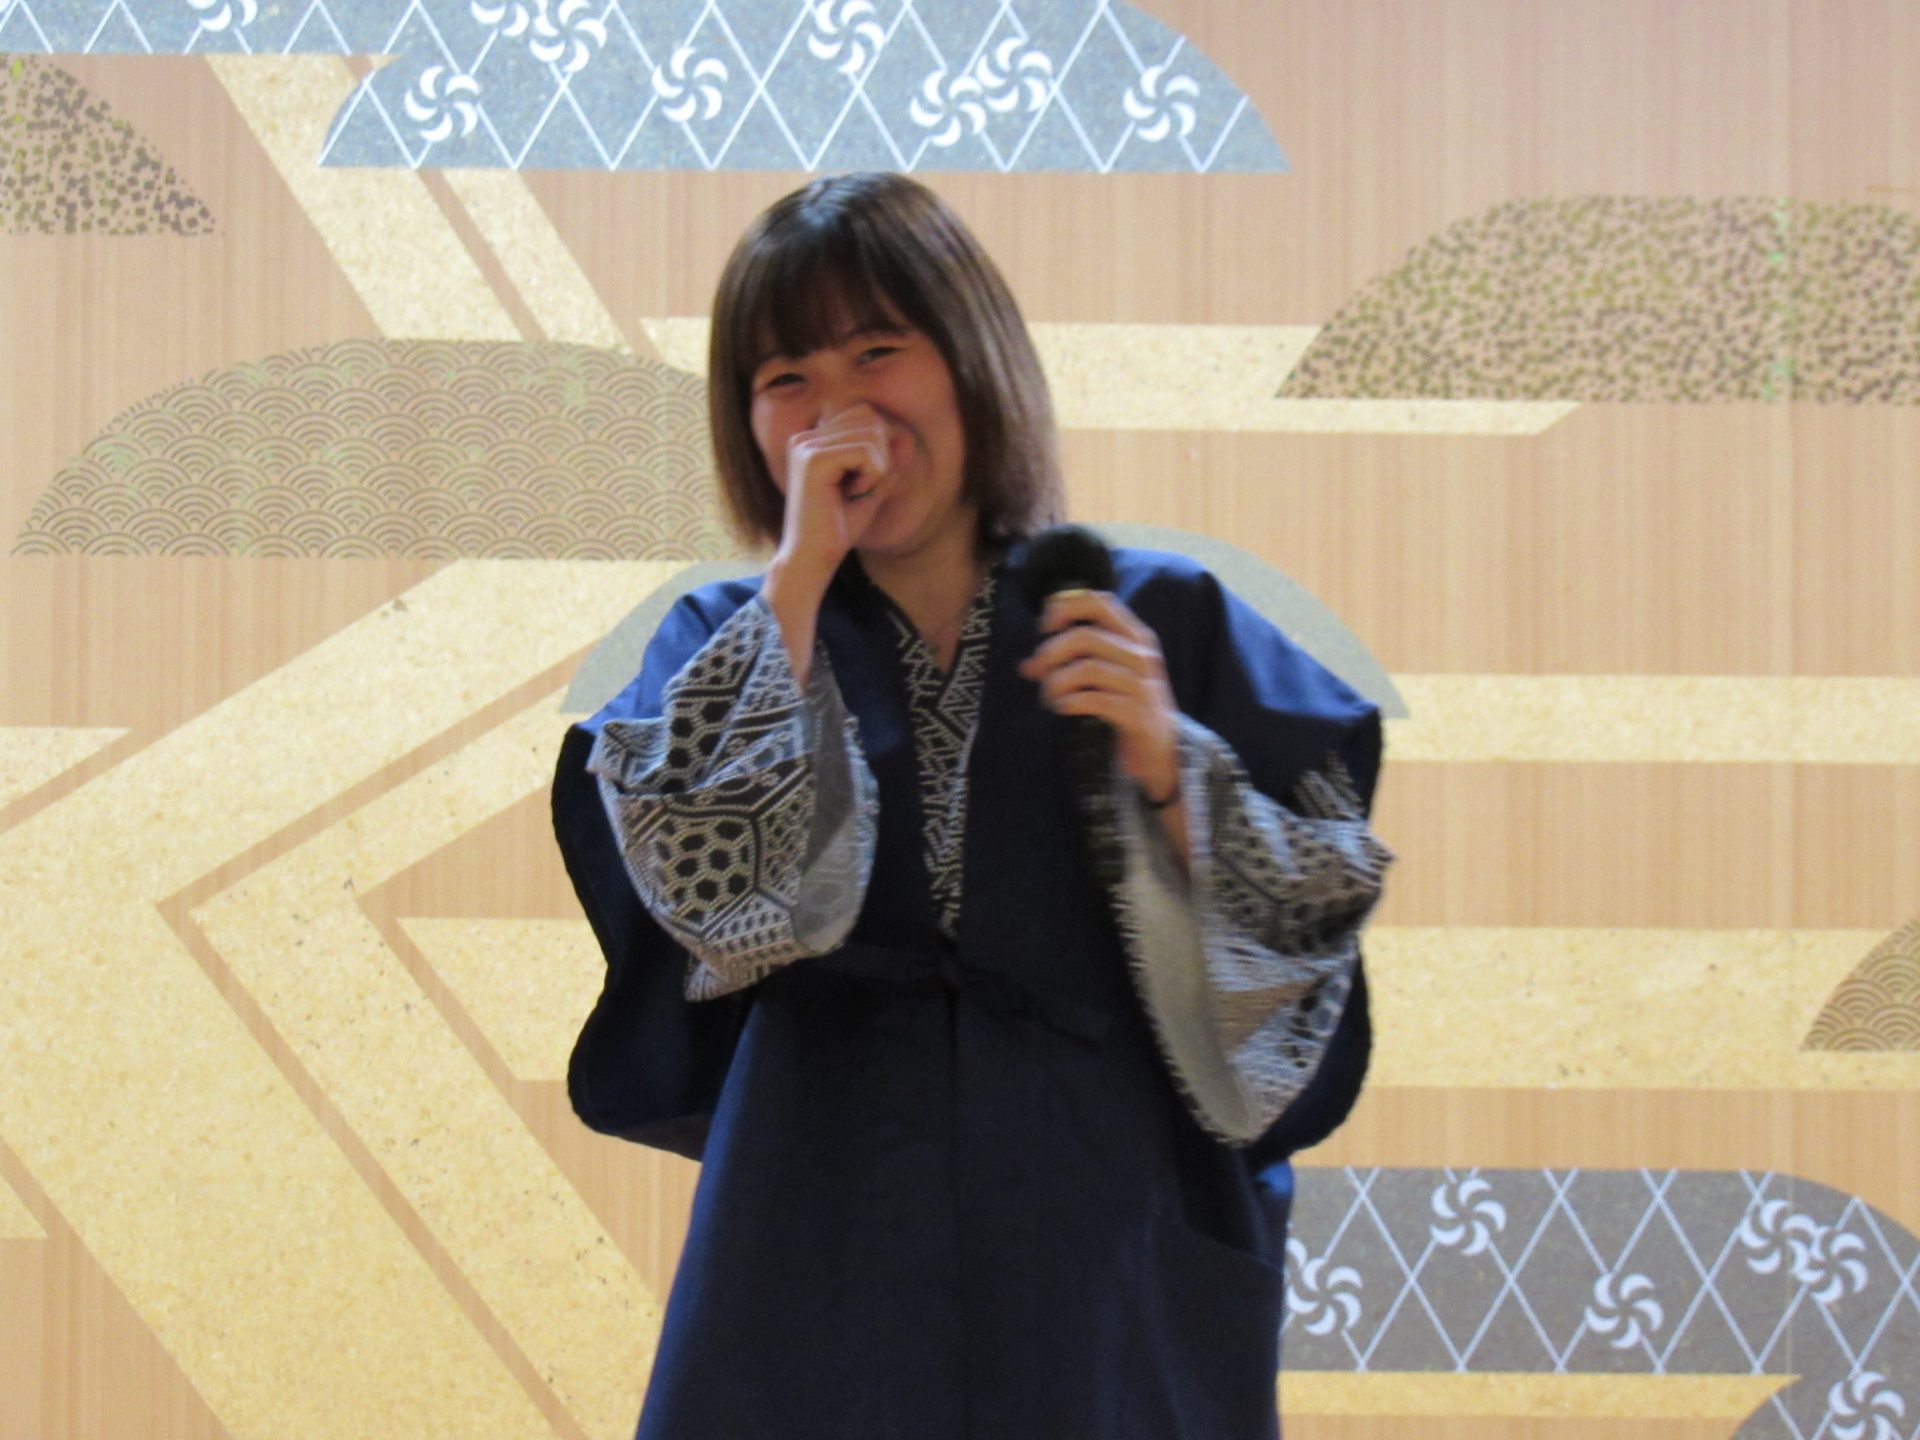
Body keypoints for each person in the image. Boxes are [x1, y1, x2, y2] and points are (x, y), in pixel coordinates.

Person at [550, 171, 1392, 1440]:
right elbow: (710, 907)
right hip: (815, 1210)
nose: (838, 411)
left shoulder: (1161, 617)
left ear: (973, 362)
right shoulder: (724, 638)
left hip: (1103, 1219)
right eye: (785, 379)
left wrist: (1171, 766)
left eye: (877, 351)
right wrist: (795, 587)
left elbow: (1309, 931)